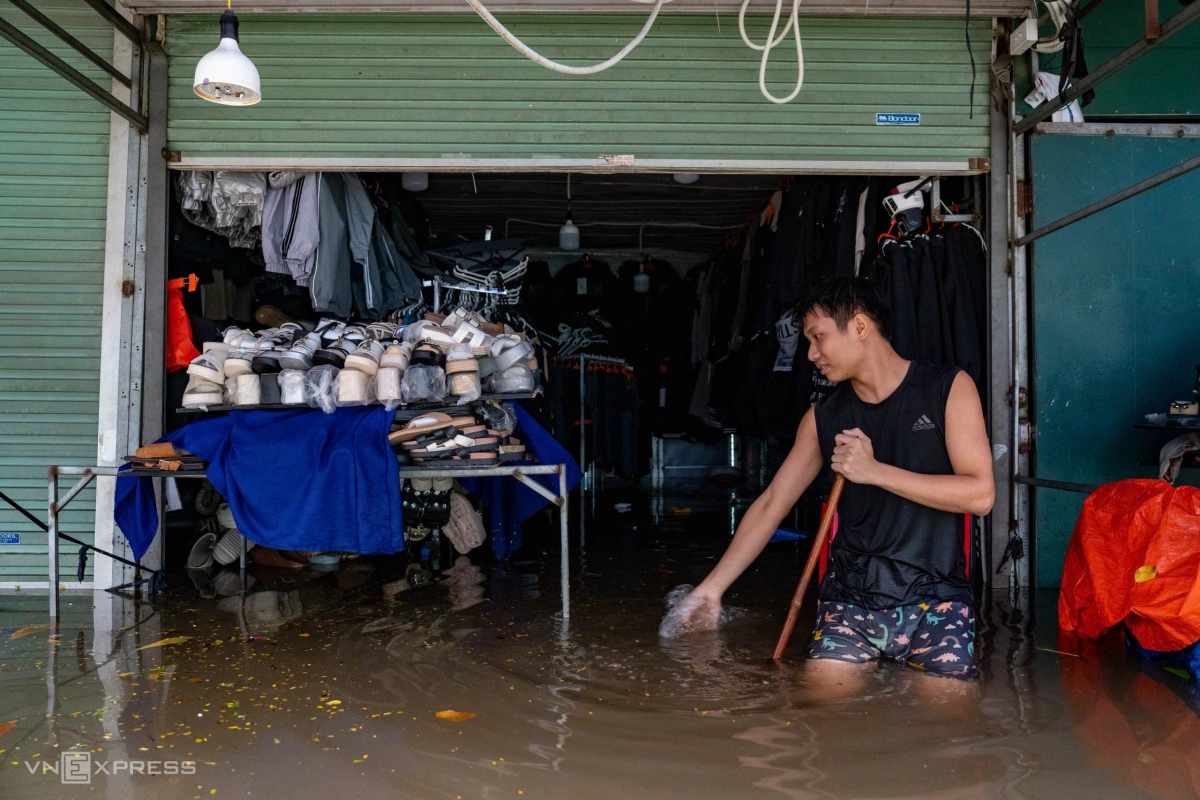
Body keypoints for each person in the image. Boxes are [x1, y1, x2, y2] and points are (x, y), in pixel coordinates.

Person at [675, 277, 994, 679]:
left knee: (944, 726)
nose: (811, 354)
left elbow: (980, 495)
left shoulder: (948, 389)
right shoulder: (823, 417)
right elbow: (774, 502)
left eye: (818, 337)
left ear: (860, 327)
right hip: (849, 602)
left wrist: (875, 472)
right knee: (825, 717)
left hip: (939, 601)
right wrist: (712, 588)